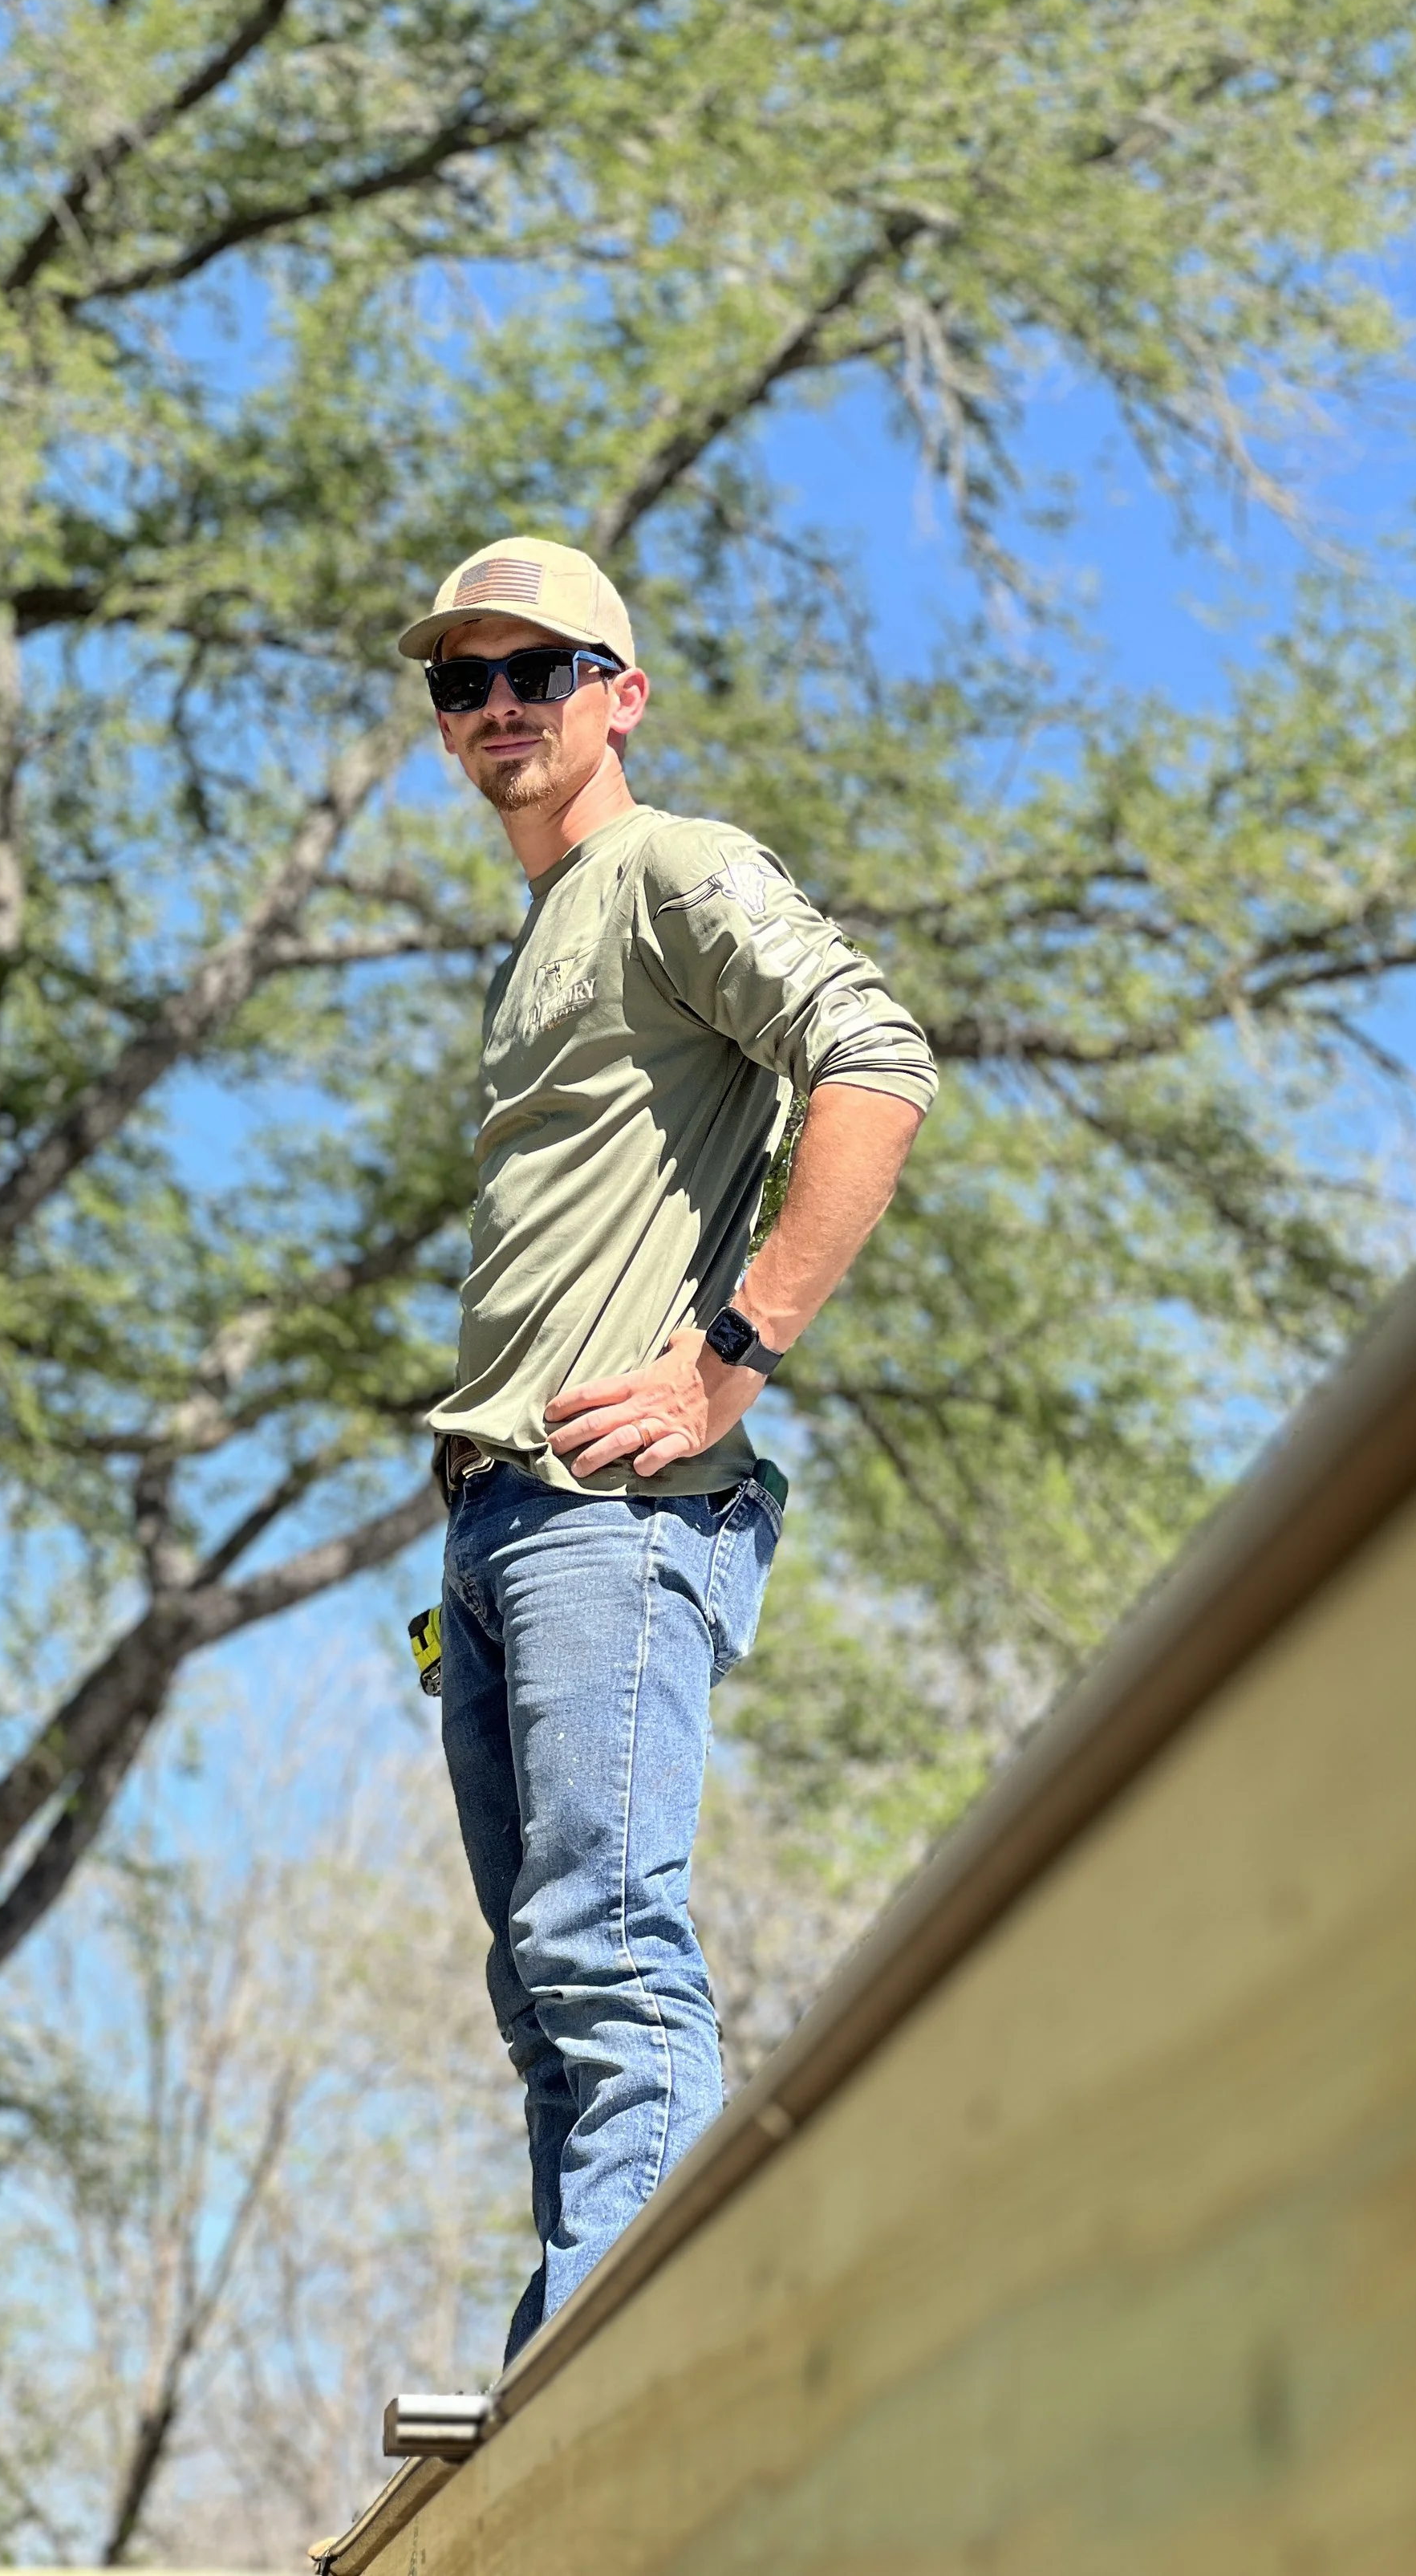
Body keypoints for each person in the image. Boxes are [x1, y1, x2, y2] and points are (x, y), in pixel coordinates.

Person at [400, 536, 937, 2363]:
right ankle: (568, 2361)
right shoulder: (545, 930)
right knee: (541, 1983)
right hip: (497, 1522)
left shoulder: (669, 867)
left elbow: (875, 1061)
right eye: (457, 684)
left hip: (613, 1519)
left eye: (530, 672)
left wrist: (728, 1359)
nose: (491, 711)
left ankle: (627, 2381)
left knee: (604, 1946)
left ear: (616, 693)